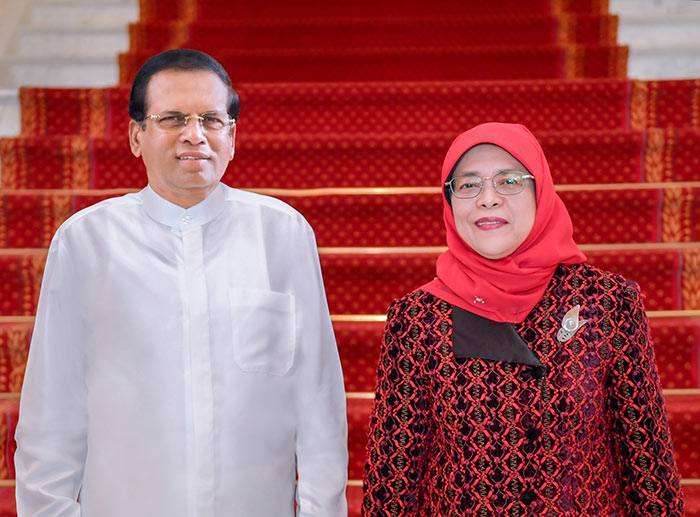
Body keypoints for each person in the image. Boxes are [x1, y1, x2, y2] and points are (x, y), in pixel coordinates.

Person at [15, 49, 348, 517]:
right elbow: (51, 412)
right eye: (172, 118)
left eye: (212, 119)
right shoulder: (86, 243)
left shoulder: (282, 235)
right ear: (136, 135)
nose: (195, 136)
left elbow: (319, 405)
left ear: (232, 136)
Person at [362, 122, 684, 515]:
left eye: (509, 181)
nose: (488, 199)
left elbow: (647, 465)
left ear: (541, 192)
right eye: (468, 185)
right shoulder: (418, 319)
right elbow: (393, 482)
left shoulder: (606, 303)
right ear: (450, 202)